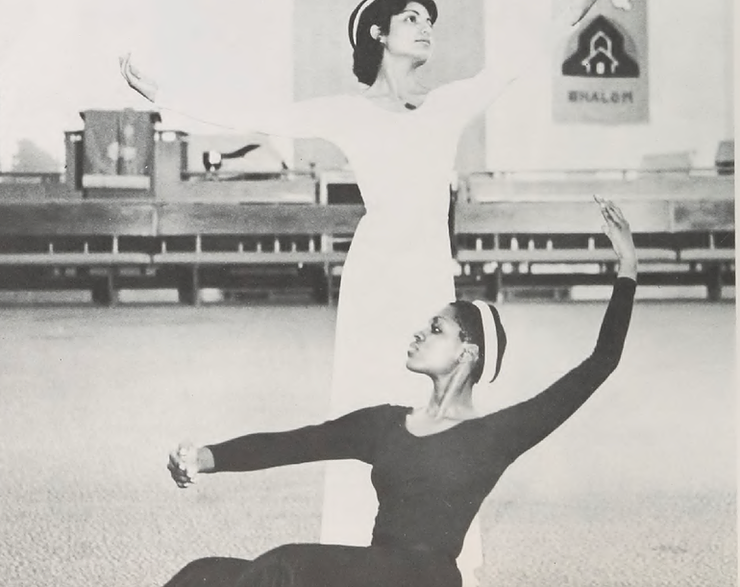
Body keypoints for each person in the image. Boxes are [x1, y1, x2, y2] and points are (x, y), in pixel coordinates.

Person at [120, 0, 606, 582]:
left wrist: (566, 19)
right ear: (378, 33)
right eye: (411, 18)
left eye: (429, 20)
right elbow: (263, 112)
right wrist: (165, 94)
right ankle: (355, 557)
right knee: (363, 417)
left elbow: (507, 69)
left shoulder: (448, 104)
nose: (425, 28)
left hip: (429, 272)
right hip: (375, 277)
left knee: (443, 408)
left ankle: (443, 559)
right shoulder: (349, 113)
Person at [162, 196, 637, 587]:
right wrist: (207, 457)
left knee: (286, 566)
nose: (417, 335)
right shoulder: (385, 423)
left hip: (426, 578)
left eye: (436, 328)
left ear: (467, 352)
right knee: (203, 575)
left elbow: (601, 363)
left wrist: (628, 267)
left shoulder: (496, 435)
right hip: (374, 573)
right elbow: (298, 441)